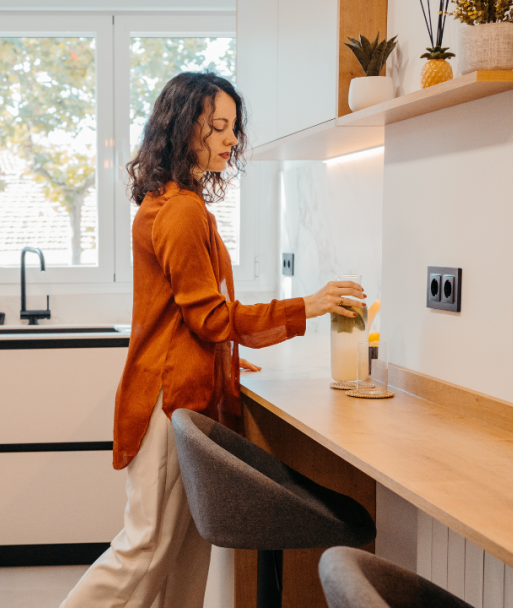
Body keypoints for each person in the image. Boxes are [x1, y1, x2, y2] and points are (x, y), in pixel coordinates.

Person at [58, 72, 365, 608]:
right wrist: (307, 305)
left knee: (182, 553)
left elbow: (194, 319)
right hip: (167, 395)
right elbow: (209, 318)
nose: (230, 139)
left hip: (178, 388)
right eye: (218, 126)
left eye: (233, 128)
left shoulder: (177, 202)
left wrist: (222, 359)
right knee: (145, 548)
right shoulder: (180, 211)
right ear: (184, 129)